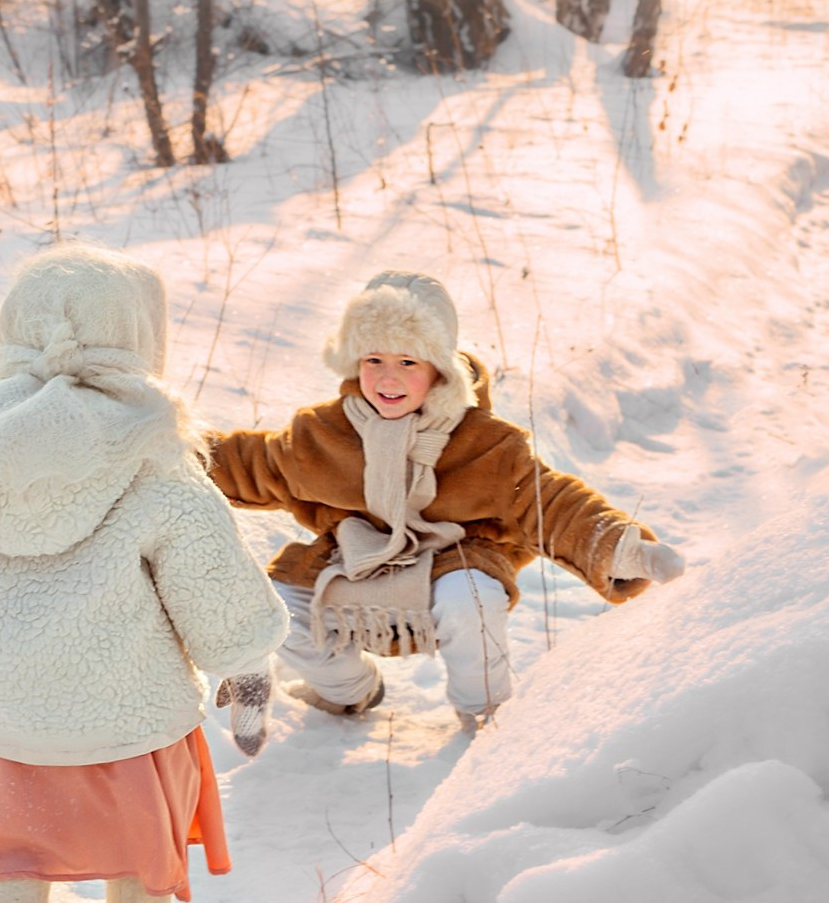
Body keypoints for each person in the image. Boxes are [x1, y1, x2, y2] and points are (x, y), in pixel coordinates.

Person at [0, 245, 287, 903]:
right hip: (127, 721)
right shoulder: (155, 463)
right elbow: (209, 578)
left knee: (14, 853)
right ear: (137, 338)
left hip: (4, 721)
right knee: (137, 852)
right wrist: (244, 660)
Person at [205, 271, 684, 743]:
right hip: (354, 559)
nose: (388, 377)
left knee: (470, 598)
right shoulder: (324, 433)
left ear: (440, 368)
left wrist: (624, 549)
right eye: (374, 359)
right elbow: (252, 463)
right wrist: (175, 447)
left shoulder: (485, 443)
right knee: (275, 605)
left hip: (456, 560)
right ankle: (347, 689)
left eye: (408, 361)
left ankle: (485, 713)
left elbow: (550, 502)